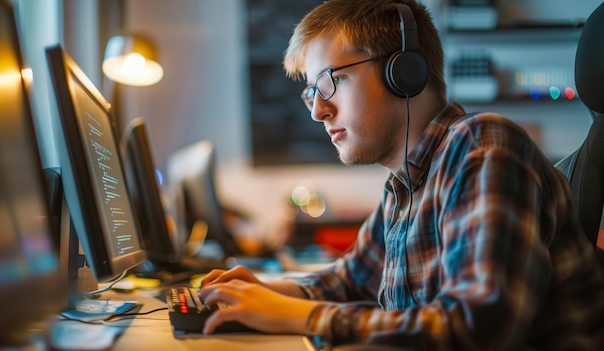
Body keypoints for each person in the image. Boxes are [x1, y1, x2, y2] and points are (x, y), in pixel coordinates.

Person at [199, 0, 604, 349]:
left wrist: (297, 316)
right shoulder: (405, 184)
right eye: (312, 92)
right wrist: (262, 292)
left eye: (331, 81)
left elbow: (477, 328)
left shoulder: (483, 148)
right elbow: (350, 280)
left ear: (404, 73)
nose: (317, 111)